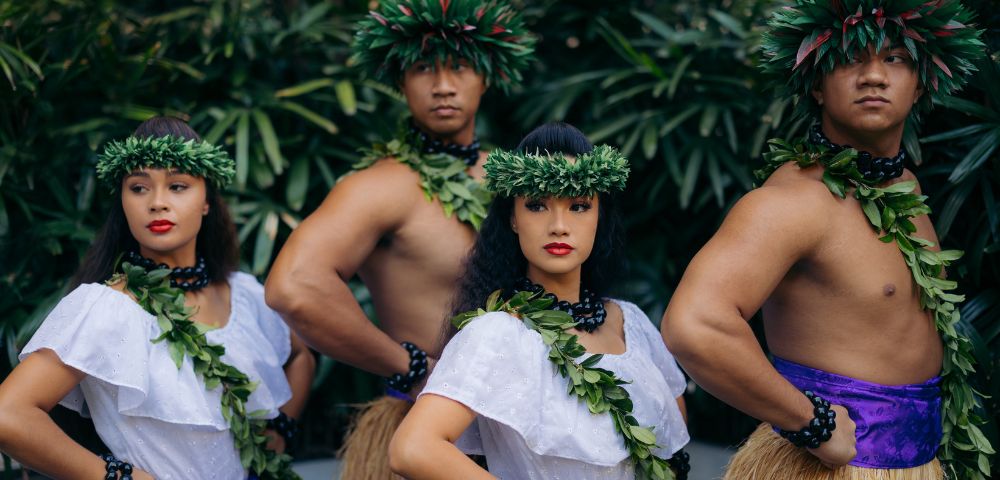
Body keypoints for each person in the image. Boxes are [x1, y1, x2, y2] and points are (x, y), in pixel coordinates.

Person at [661, 1, 991, 479]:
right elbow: (696, 326)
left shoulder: (906, 189)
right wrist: (810, 424)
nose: (874, 76)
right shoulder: (795, 202)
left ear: (919, 83)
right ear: (816, 83)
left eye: (895, 58)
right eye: (851, 59)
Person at [264, 1, 534, 478]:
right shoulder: (380, 187)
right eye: (424, 68)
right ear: (400, 81)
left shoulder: (518, 180)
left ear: (487, 77)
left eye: (461, 67)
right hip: (425, 431)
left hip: (530, 424)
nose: (443, 85)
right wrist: (407, 365)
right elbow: (294, 286)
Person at [0, 117, 314, 480]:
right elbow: (8, 415)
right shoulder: (106, 308)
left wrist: (277, 438)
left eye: (178, 186)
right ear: (123, 201)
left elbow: (300, 354)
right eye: (138, 188)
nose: (157, 203)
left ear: (207, 201)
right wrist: (121, 477)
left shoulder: (245, 294)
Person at [388, 123, 691, 480]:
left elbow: (674, 442)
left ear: (599, 217)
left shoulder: (633, 323)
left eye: (579, 206)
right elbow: (412, 448)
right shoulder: (498, 333)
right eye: (537, 205)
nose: (559, 225)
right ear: (513, 219)